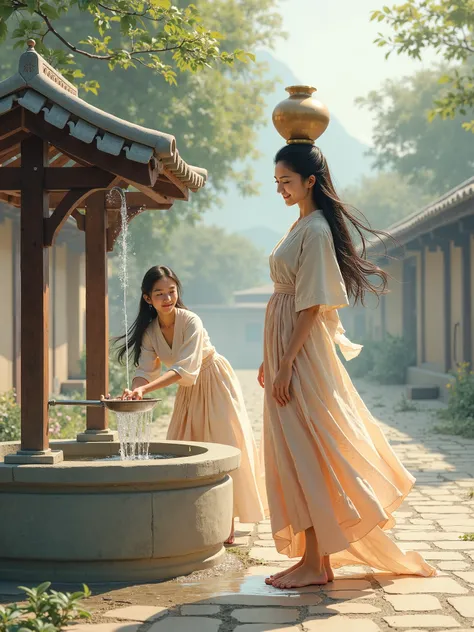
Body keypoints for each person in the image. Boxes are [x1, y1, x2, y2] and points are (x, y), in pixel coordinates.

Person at [258, 143, 436, 589]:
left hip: (300, 352)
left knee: (309, 446)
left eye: (286, 181)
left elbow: (312, 304)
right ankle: (312, 558)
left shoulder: (315, 230)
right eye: (276, 181)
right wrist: (269, 358)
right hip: (283, 347)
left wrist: (285, 366)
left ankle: (318, 563)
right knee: (294, 449)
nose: (279, 188)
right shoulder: (300, 222)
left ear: (310, 181)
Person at [117, 265, 267, 543]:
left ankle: (228, 522)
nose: (167, 298)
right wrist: (133, 392)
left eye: (171, 291)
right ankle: (192, 516)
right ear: (147, 298)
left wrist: (146, 388)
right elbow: (145, 371)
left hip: (214, 379)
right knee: (185, 443)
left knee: (225, 442)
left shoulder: (191, 321)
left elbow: (186, 368)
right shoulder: (150, 332)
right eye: (159, 293)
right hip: (187, 389)